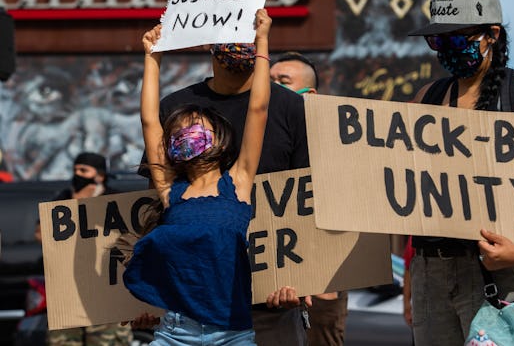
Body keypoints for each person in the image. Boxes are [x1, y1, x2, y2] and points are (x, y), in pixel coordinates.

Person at [407, 0, 514, 344]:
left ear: (492, 34)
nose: (446, 49)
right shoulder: (423, 100)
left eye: (458, 40)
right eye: (438, 41)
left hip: (506, 272)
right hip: (432, 272)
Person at [134, 19, 311, 345]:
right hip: (177, 329)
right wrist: (152, 56)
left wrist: (262, 42)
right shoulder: (171, 193)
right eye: (180, 131)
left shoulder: (239, 183)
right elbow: (148, 120)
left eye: (198, 128)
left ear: (221, 140)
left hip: (233, 330)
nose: (188, 132)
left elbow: (258, 108)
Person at [270, 52, 349, 346]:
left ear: (310, 94)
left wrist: (327, 287)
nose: (272, 88)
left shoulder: (336, 143)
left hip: (321, 279)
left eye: (283, 82)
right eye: (269, 81)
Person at [48, 152, 132, 346]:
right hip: (69, 294)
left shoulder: (115, 198)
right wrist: (75, 203)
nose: (77, 174)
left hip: (107, 295)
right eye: (75, 169)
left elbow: (128, 238)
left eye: (83, 170)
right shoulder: (62, 197)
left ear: (100, 175)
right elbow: (41, 234)